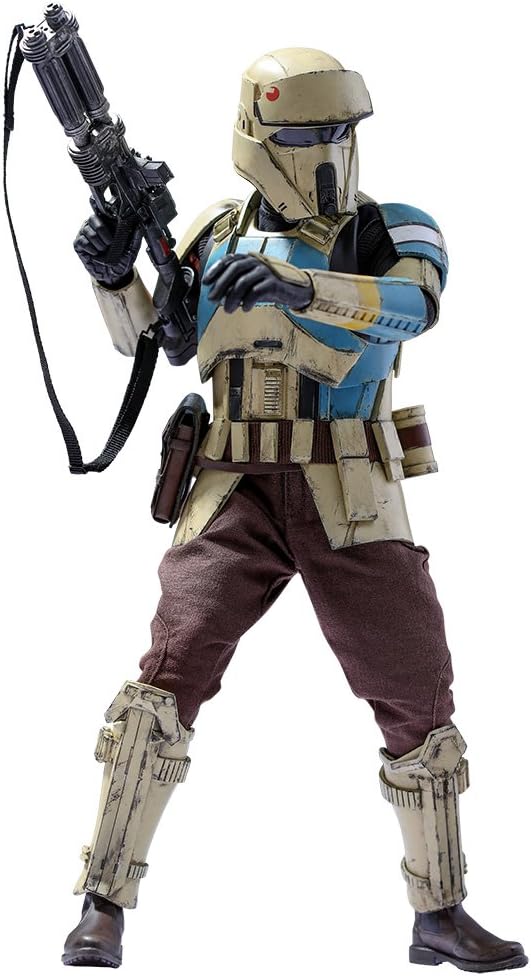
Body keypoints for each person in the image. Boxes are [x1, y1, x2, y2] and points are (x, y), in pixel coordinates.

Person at [62, 49, 527, 972]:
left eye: (340, 130)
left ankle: (439, 913)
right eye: (308, 131)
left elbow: (414, 304)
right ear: (257, 137)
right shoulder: (211, 232)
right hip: (230, 484)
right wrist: (114, 276)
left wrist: (298, 287)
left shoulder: (390, 226)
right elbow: (160, 341)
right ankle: (101, 903)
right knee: (160, 691)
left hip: (348, 484)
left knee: (416, 698)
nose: (328, 148)